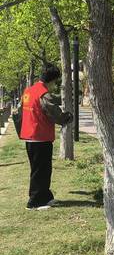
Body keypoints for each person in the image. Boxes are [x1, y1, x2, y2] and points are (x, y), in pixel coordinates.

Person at [19, 64, 72, 210]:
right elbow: (55, 113)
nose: (55, 85)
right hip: (40, 136)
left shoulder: (28, 91)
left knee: (40, 168)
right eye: (55, 82)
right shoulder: (44, 94)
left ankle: (45, 197)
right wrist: (67, 117)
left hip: (30, 135)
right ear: (52, 80)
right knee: (41, 170)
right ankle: (34, 202)